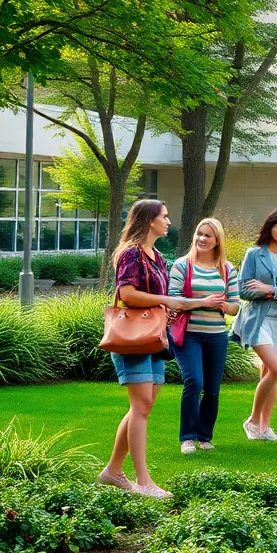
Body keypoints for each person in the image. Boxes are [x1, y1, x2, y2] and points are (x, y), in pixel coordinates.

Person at [99, 200, 218, 499]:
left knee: (145, 406)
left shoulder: (157, 257)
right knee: (140, 407)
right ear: (150, 220)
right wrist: (165, 302)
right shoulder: (131, 254)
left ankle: (113, 471)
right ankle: (144, 481)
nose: (168, 221)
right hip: (133, 339)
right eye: (164, 216)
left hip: (154, 337)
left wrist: (171, 307)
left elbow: (159, 297)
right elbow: (126, 294)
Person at [168, 218, 240, 454]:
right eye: (199, 233)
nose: (201, 238)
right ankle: (187, 437)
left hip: (216, 336)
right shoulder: (182, 265)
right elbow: (173, 300)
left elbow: (234, 306)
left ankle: (204, 436)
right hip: (188, 335)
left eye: (208, 235)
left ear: (217, 240)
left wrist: (221, 306)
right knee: (194, 381)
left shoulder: (227, 269)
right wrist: (203, 302)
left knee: (212, 388)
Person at [235, 209, 277, 442]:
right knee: (275, 370)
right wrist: (264, 292)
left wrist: (268, 289)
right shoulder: (254, 254)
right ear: (270, 227)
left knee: (268, 372)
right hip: (258, 319)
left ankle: (264, 427)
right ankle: (253, 420)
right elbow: (242, 289)